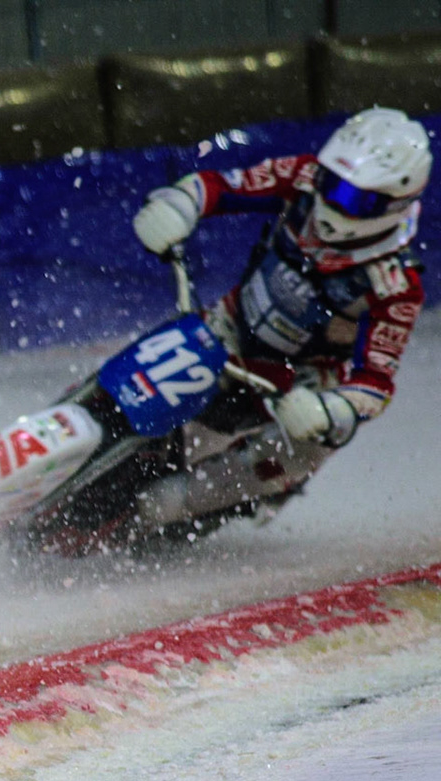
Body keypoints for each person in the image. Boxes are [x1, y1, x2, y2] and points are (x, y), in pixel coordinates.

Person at [130, 107, 427, 495]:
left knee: (176, 498)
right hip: (228, 328)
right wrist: (179, 205)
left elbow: (376, 382)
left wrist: (333, 409)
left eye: (354, 198)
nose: (332, 200)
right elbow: (220, 185)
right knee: (136, 380)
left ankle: (173, 510)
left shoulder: (394, 284)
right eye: (330, 182)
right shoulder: (304, 177)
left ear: (393, 205)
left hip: (298, 388)